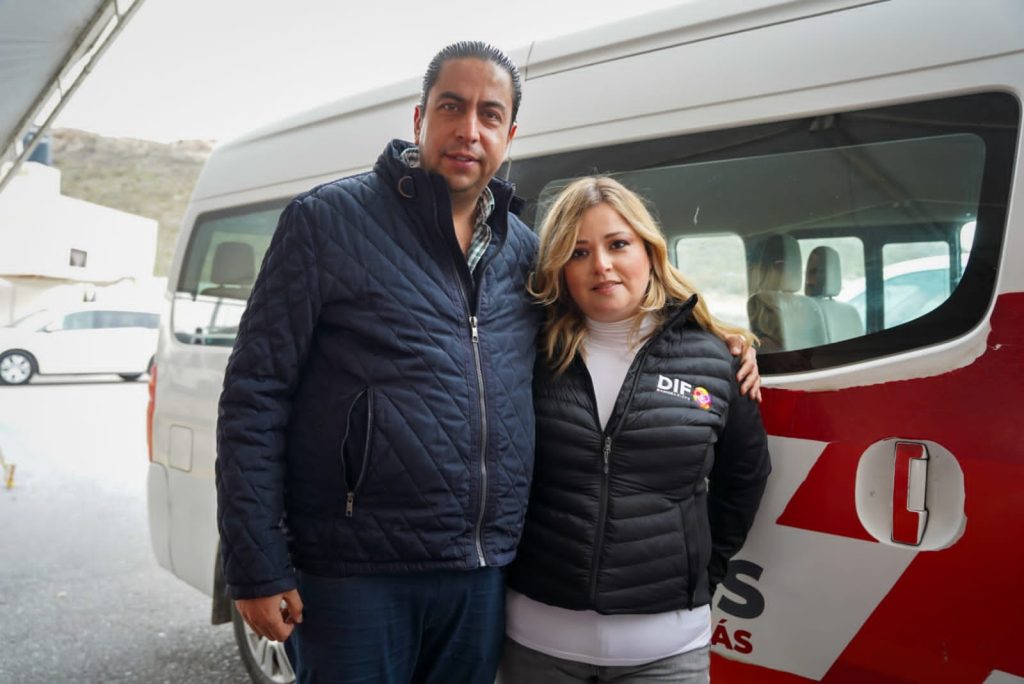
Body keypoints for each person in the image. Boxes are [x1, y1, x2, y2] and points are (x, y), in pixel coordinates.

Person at [217, 43, 760, 683]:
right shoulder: (326, 222)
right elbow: (255, 394)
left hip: (479, 576)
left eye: (490, 114)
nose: (469, 129)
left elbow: (614, 309)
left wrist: (717, 338)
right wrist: (256, 564)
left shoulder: (522, 252)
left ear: (510, 135)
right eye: (452, 107)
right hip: (354, 572)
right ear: (419, 117)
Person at [501, 177, 771, 683]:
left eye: (618, 244)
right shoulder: (526, 353)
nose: (601, 265)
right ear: (560, 269)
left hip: (668, 653)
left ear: (650, 251)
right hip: (538, 646)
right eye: (579, 252)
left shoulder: (716, 359)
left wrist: (701, 577)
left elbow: (745, 478)